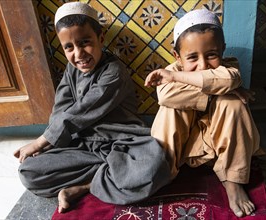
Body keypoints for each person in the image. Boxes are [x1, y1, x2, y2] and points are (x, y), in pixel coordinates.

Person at [14, 2, 171, 213]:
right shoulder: (72, 71)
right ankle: (111, 172)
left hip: (122, 142)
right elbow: (60, 111)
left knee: (155, 166)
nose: (78, 54)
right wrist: (49, 143)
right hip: (83, 145)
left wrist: (40, 141)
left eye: (85, 42)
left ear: (101, 38)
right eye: (69, 47)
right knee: (29, 172)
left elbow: (82, 112)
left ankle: (83, 187)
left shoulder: (113, 72)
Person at [144, 9, 264, 218]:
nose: (202, 65)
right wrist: (215, 89)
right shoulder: (170, 72)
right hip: (183, 148)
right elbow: (165, 96)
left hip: (219, 148)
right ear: (177, 56)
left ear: (222, 50)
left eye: (211, 55)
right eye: (192, 57)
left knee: (232, 103)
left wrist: (178, 78)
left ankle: (233, 180)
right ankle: (162, 170)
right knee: (171, 107)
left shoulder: (229, 67)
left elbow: (228, 80)